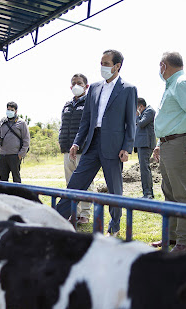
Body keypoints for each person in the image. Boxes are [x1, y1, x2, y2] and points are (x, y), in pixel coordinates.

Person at [56, 49, 137, 236]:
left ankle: (114, 228)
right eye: (101, 63)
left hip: (114, 146)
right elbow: (86, 119)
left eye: (106, 64)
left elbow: (130, 122)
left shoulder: (128, 89)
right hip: (91, 144)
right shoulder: (94, 88)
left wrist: (127, 147)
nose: (102, 67)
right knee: (75, 183)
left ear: (117, 66)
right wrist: (76, 143)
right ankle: (56, 220)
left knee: (114, 189)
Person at [150, 51, 186, 252]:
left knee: (182, 193)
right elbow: (170, 119)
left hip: (178, 144)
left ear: (164, 65)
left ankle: (184, 241)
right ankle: (171, 237)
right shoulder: (171, 86)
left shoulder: (181, 83)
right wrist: (159, 143)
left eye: (160, 66)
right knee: (170, 192)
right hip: (168, 144)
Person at [59, 73, 93, 224]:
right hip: (67, 150)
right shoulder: (66, 105)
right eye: (74, 83)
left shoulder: (90, 103)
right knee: (70, 183)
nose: (76, 86)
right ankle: (75, 213)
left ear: (86, 86)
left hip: (83, 150)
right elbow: (62, 125)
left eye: (79, 83)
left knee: (86, 183)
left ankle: (85, 214)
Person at [0, 101, 30, 183]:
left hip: (15, 156)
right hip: (3, 155)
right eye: (8, 109)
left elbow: (26, 140)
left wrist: (20, 154)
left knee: (16, 179)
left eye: (11, 110)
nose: (9, 111)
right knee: (3, 180)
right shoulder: (2, 121)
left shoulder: (21, 123)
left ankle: (17, 195)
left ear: (16, 111)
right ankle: (4, 195)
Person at [134, 97, 156, 199]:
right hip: (141, 144)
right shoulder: (145, 112)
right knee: (143, 169)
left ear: (140, 106)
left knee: (144, 169)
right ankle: (147, 193)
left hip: (146, 144)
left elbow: (141, 124)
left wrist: (137, 116)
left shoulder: (149, 111)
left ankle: (148, 194)